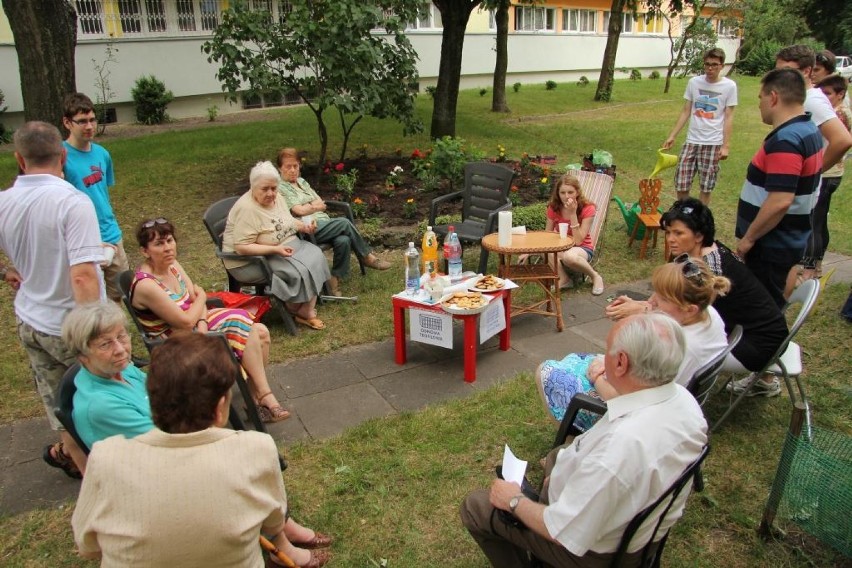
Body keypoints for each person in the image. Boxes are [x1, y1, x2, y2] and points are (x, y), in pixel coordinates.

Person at [461, 313, 708, 568]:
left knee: (476, 507)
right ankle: (550, 487)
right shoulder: (683, 401)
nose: (602, 357)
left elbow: (561, 531)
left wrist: (513, 501)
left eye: (607, 351)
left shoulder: (617, 451)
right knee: (559, 455)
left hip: (593, 553)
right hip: (639, 527)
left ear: (621, 363)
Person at [71, 333, 332, 567]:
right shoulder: (256, 448)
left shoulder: (104, 457)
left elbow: (88, 545)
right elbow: (274, 522)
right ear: (220, 408)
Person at [0, 121, 103, 479]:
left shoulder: (4, 201)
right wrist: (96, 333)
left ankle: (89, 475)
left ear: (19, 158)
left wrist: (5, 272)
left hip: (30, 321)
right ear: (62, 155)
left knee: (61, 405)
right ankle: (114, 474)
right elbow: (83, 275)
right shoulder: (72, 202)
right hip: (68, 325)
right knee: (107, 397)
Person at [130, 217, 289, 422]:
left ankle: (255, 399)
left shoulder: (173, 265)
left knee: (262, 333)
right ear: (145, 251)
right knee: (250, 328)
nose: (168, 248)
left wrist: (202, 316)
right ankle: (263, 398)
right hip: (174, 342)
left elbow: (196, 304)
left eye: (169, 240)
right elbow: (186, 319)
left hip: (197, 325)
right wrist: (202, 301)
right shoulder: (147, 285)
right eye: (159, 244)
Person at [539, 257, 728, 427]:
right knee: (573, 360)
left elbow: (636, 404)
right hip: (647, 392)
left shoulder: (678, 349)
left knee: (546, 371)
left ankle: (572, 438)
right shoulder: (707, 313)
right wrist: (642, 310)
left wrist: (596, 378)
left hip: (635, 415)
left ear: (689, 309)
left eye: (661, 298)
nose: (651, 301)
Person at [736, 68, 823, 308]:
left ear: (773, 97)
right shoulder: (808, 129)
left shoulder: (787, 140)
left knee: (761, 307)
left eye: (760, 98)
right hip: (786, 240)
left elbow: (780, 200)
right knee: (771, 302)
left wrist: (748, 239)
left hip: (770, 245)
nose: (759, 105)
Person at [223, 161, 331, 330]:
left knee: (315, 255)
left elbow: (286, 220)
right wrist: (275, 249)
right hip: (249, 260)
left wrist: (303, 226)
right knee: (298, 269)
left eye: (274, 188)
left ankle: (304, 309)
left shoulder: (277, 196)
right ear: (253, 187)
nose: (271, 193)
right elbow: (242, 247)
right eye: (265, 189)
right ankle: (295, 308)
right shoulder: (247, 209)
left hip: (280, 246)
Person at [276, 147, 390, 296]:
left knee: (343, 240)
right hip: (307, 229)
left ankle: (333, 281)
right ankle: (366, 257)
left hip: (324, 223)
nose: (292, 170)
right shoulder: (280, 187)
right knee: (343, 222)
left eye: (295, 166)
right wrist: (312, 207)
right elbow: (299, 211)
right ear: (280, 168)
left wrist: (309, 207)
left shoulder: (302, 182)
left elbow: (321, 204)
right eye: (288, 167)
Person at [61, 93, 129, 302]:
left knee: (121, 292)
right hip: (84, 238)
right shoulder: (60, 156)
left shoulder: (102, 154)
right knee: (91, 299)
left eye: (92, 120)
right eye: (82, 121)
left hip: (111, 233)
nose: (89, 126)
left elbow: (102, 193)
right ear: (67, 123)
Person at [61, 303, 153, 454]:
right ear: (82, 355)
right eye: (105, 344)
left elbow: (166, 393)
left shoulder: (123, 370)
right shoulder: (101, 405)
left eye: (121, 336)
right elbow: (167, 442)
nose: (120, 349)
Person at [662, 47, 738, 206]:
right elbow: (686, 111)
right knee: (682, 182)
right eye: (707, 64)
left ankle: (700, 219)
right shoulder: (694, 82)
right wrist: (672, 135)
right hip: (692, 141)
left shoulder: (729, 86)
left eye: (715, 65)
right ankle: (683, 215)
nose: (710, 68)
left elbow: (729, 117)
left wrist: (726, 146)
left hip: (713, 143)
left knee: (706, 185)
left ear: (722, 66)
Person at [798, 75, 852, 281]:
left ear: (841, 94)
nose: (825, 98)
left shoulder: (838, 114)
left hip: (827, 173)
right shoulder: (832, 111)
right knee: (819, 221)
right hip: (829, 172)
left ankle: (810, 269)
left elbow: (841, 142)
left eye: (829, 94)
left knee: (814, 222)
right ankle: (817, 265)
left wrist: (817, 168)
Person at [775, 45, 852, 175]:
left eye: (786, 71)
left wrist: (811, 173)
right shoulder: (801, 97)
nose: (779, 77)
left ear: (806, 71)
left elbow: (842, 140)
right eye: (777, 71)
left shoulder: (812, 100)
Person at [544, 173, 604, 295]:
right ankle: (564, 279)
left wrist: (572, 214)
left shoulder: (588, 208)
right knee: (547, 249)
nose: (566, 196)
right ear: (558, 193)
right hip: (562, 245)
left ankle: (595, 276)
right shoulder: (554, 207)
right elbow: (547, 235)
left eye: (570, 192)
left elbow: (578, 241)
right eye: (563, 193)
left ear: (577, 192)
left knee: (569, 256)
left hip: (582, 247)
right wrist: (528, 251)